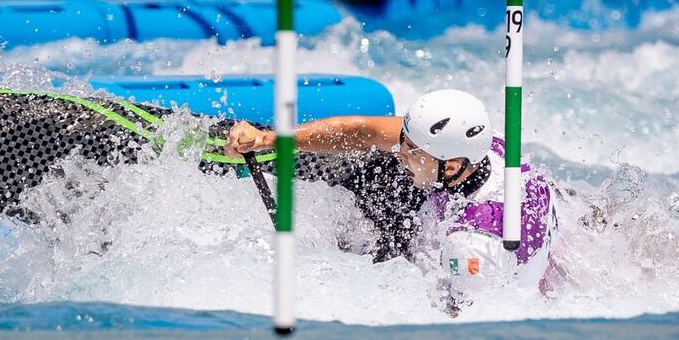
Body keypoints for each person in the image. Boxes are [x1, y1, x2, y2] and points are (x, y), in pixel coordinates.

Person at [224, 88, 557, 315]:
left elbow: (460, 330)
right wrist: (270, 139)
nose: (401, 154)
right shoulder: (484, 150)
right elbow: (361, 132)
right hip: (534, 221)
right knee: (376, 164)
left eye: (411, 152)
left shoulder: (469, 246)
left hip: (496, 274)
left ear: (451, 166)